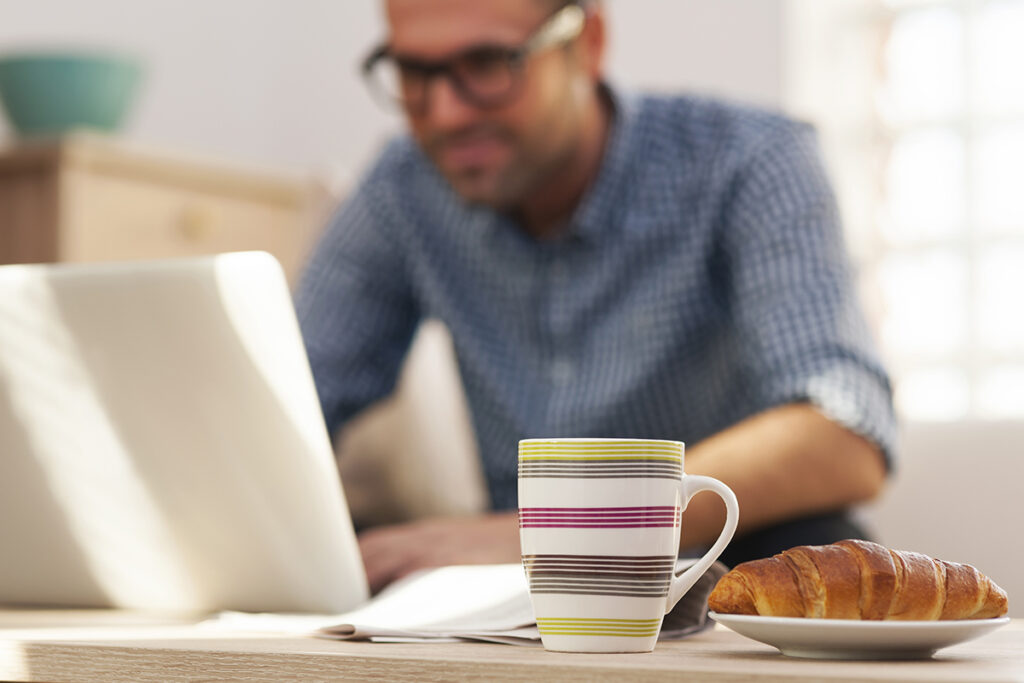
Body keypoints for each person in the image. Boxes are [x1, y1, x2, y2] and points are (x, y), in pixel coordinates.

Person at [296, 0, 896, 594]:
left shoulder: (750, 160)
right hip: (526, 593)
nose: (447, 113)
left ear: (587, 44)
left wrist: (545, 532)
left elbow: (845, 434)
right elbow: (296, 397)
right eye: (414, 72)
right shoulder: (403, 190)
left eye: (487, 63)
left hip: (733, 561)